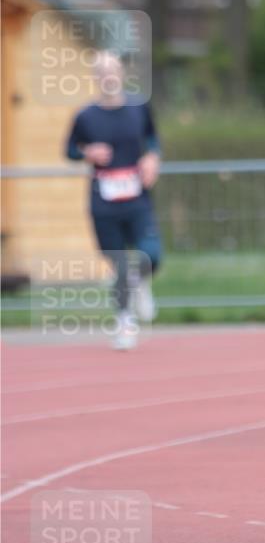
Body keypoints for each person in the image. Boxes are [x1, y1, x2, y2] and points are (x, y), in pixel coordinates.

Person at [64, 51, 162, 350]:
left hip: (137, 196)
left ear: (121, 73)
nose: (108, 77)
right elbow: (69, 150)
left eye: (112, 71)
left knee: (151, 255)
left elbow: (153, 139)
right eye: (101, 72)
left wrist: (152, 159)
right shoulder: (85, 115)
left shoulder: (139, 107)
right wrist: (87, 153)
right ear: (95, 77)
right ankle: (124, 323)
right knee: (117, 262)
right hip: (103, 200)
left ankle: (139, 279)